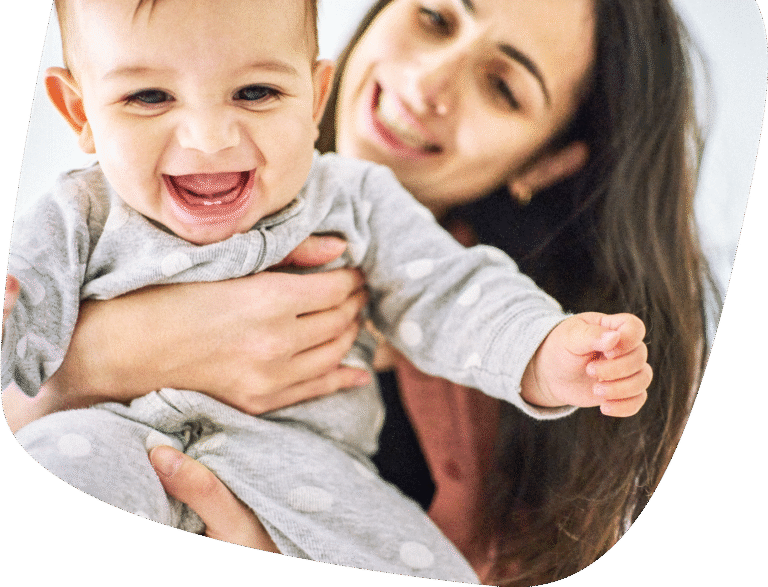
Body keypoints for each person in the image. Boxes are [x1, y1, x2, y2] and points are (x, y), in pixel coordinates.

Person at [3, 0, 713, 585]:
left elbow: (453, 291)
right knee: (61, 465)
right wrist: (92, 362)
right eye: (436, 16)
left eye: (504, 86)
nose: (210, 136)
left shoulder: (355, 201)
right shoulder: (78, 213)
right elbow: (21, 316)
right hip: (115, 448)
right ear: (81, 111)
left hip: (307, 487)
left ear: (313, 91)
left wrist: (543, 347)